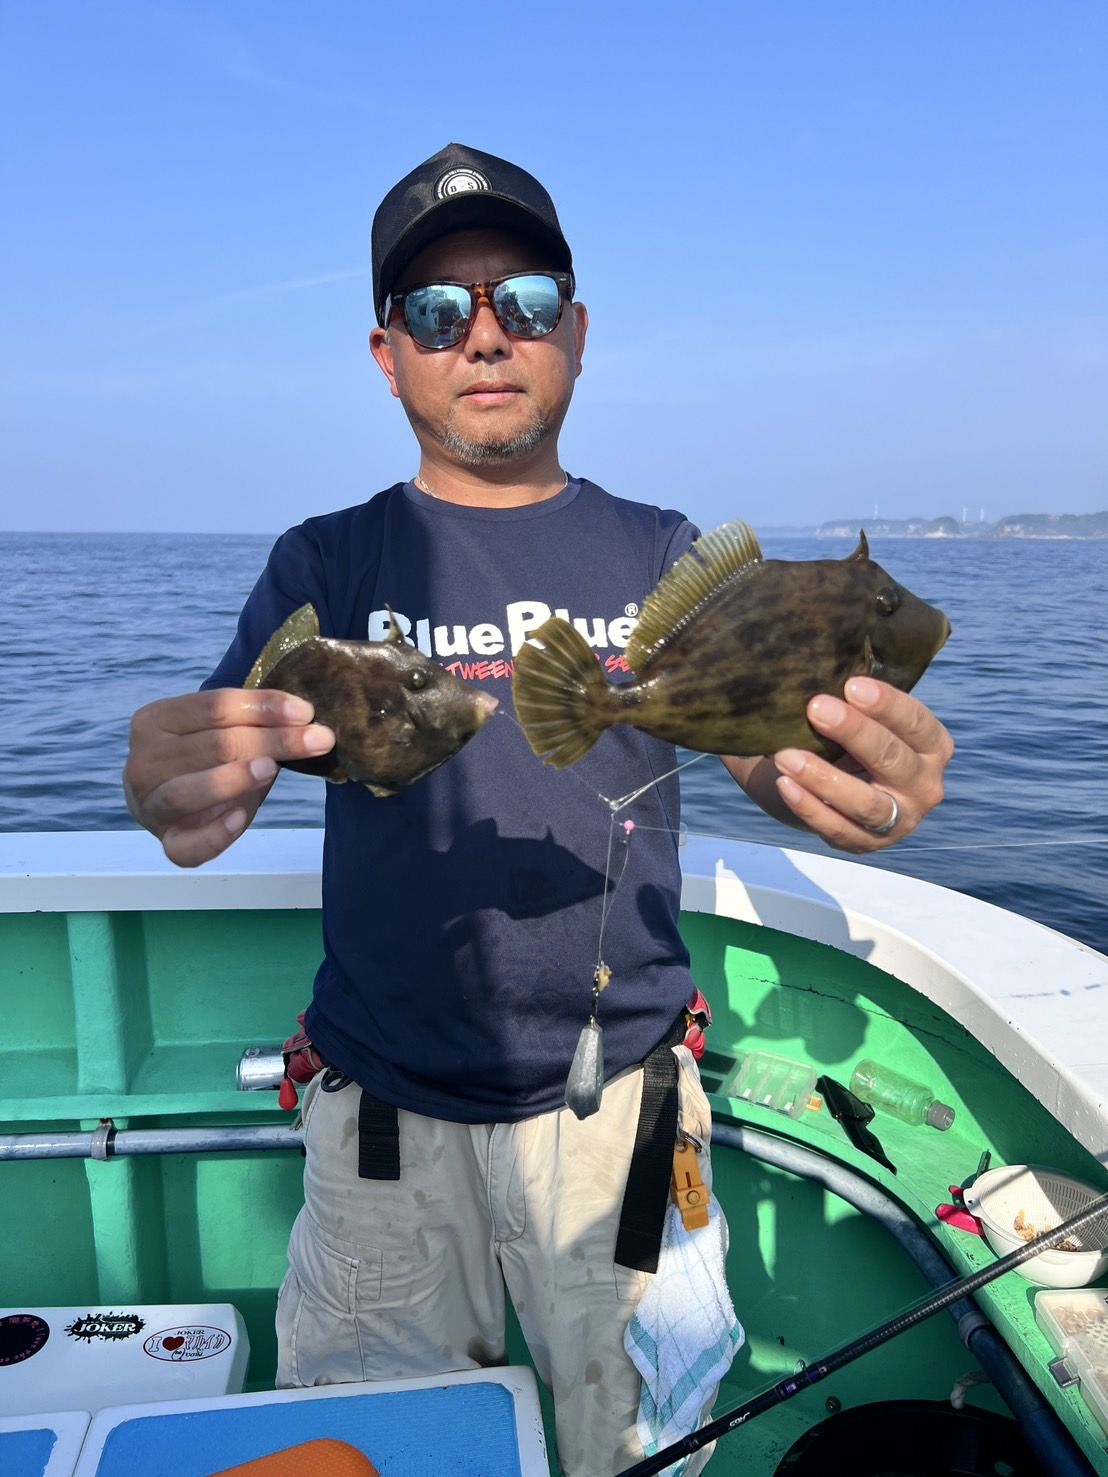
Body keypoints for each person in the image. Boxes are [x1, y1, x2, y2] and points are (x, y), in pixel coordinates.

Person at [123, 143, 954, 1476]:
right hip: (382, 1123)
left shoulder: (658, 548)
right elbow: (225, 757)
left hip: (621, 1113)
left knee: (638, 1452)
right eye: (437, 310)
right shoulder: (327, 557)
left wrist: (848, 777)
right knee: (379, 1451)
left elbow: (759, 745)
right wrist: (172, 787)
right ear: (388, 353)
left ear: (576, 331)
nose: (486, 334)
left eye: (523, 298)